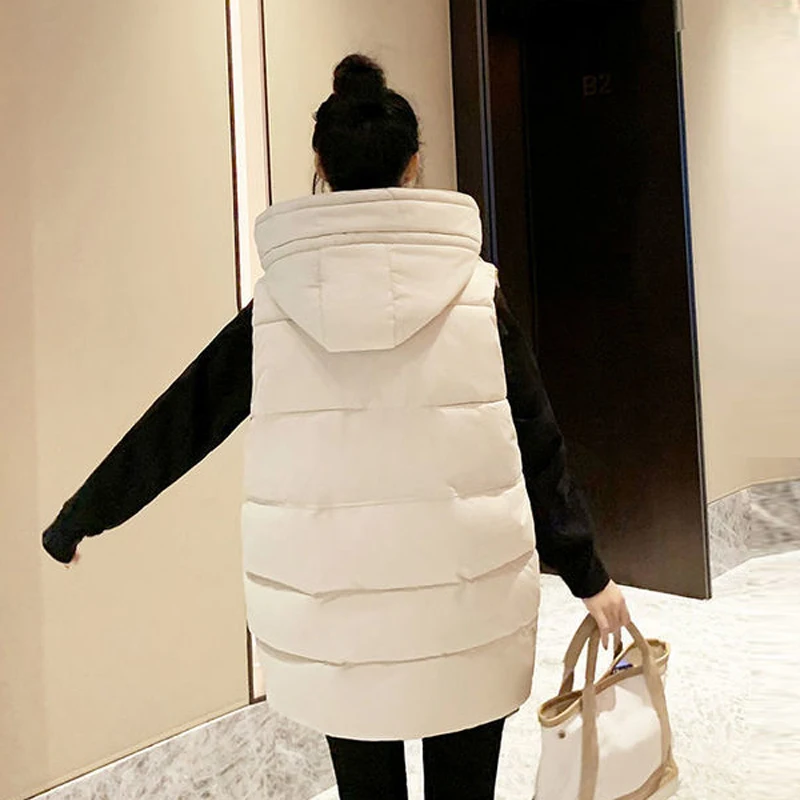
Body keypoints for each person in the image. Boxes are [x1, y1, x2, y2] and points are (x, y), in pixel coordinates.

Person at [42, 54, 629, 800]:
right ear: (414, 165)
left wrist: (81, 517)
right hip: (467, 603)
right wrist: (586, 573)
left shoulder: (276, 308)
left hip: (337, 614)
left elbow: (183, 420)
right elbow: (538, 442)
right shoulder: (478, 296)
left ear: (320, 165)